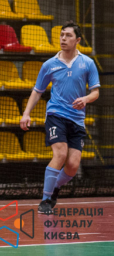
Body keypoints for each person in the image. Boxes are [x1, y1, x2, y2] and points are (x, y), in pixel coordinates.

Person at [20, 21, 100, 215]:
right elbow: (37, 91)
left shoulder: (87, 63)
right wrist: (26, 113)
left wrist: (86, 99)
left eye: (68, 35)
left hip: (77, 120)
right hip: (56, 115)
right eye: (62, 35)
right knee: (60, 154)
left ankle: (54, 188)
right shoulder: (49, 65)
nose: (63, 38)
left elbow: (95, 92)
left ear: (77, 40)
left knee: (72, 166)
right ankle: (45, 200)